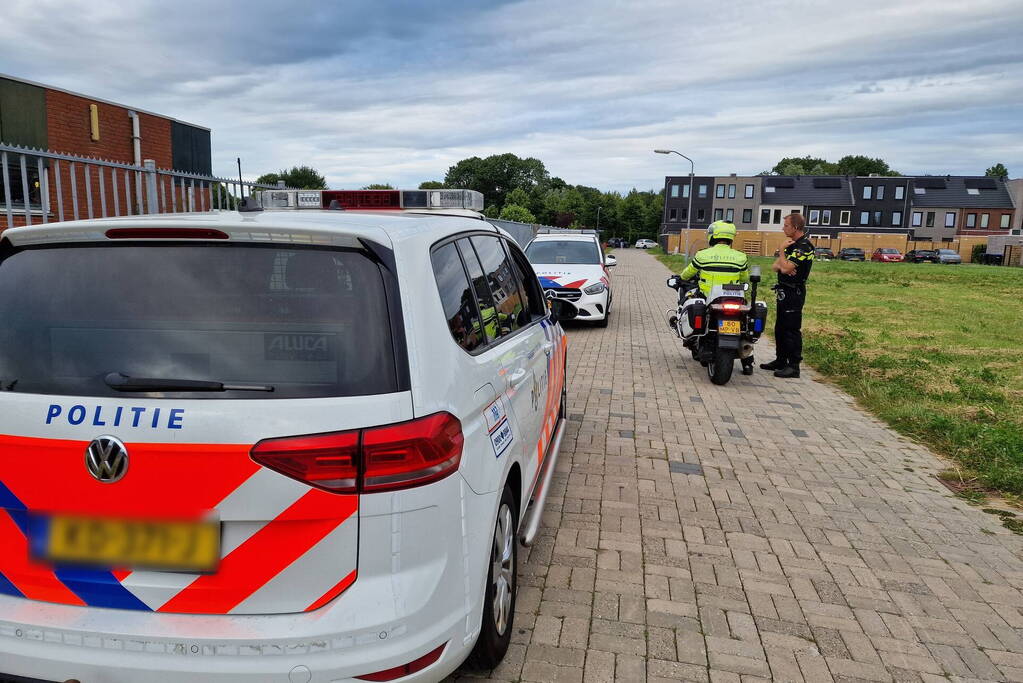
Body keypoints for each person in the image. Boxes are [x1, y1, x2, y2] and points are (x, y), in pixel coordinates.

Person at [678, 220, 755, 374]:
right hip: (734, 298)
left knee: (689, 303)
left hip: (709, 298)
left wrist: (681, 278)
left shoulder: (702, 255)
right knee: (744, 326)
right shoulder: (740, 257)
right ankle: (747, 362)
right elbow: (745, 278)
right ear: (731, 237)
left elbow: (687, 274)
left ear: (713, 236)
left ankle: (692, 339)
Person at [761, 213, 814, 378]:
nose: (783, 228)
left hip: (794, 292)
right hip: (783, 291)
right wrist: (784, 264)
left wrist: (782, 251)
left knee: (791, 329)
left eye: (786, 226)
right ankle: (781, 360)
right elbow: (775, 267)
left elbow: (784, 268)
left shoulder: (804, 246)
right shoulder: (792, 245)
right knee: (780, 328)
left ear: (795, 227)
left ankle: (794, 366)